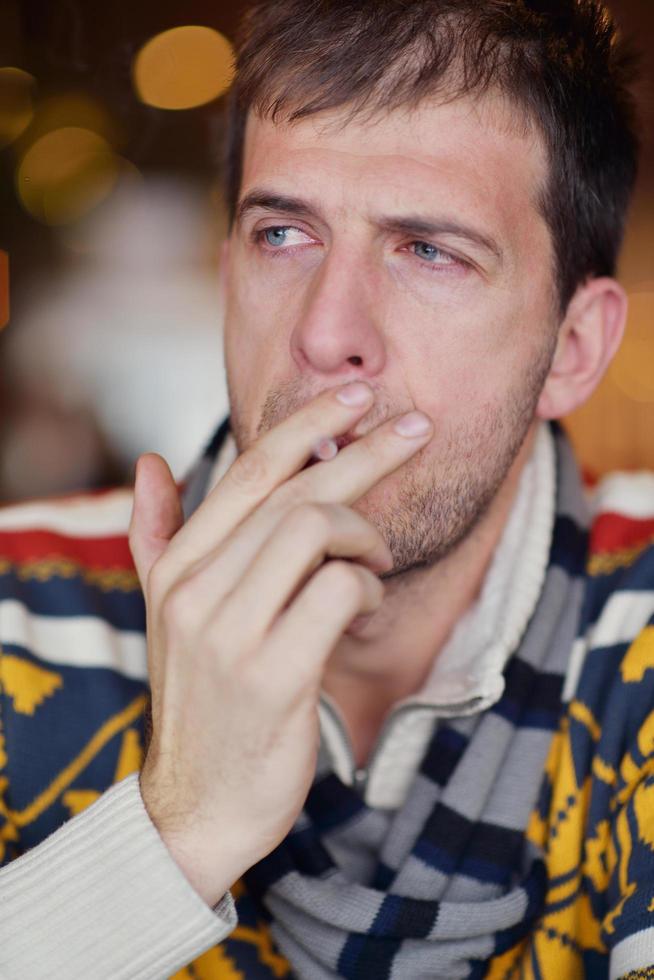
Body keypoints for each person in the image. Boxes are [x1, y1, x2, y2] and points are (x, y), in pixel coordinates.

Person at [0, 0, 651, 976]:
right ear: (227, 275)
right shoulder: (15, 608)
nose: (323, 331)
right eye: (283, 236)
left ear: (573, 346)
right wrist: (175, 829)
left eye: (431, 250)